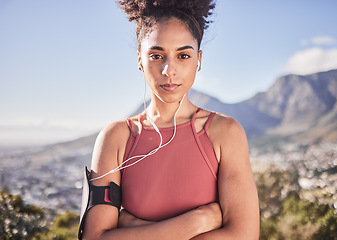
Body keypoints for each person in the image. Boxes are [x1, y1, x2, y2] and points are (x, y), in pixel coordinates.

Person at [80, 0, 259, 239]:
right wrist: (197, 221)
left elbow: (244, 237)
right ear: (140, 60)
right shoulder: (115, 138)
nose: (169, 70)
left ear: (199, 59)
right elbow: (94, 238)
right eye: (156, 55)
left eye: (183, 55)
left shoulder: (225, 133)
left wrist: (132, 228)